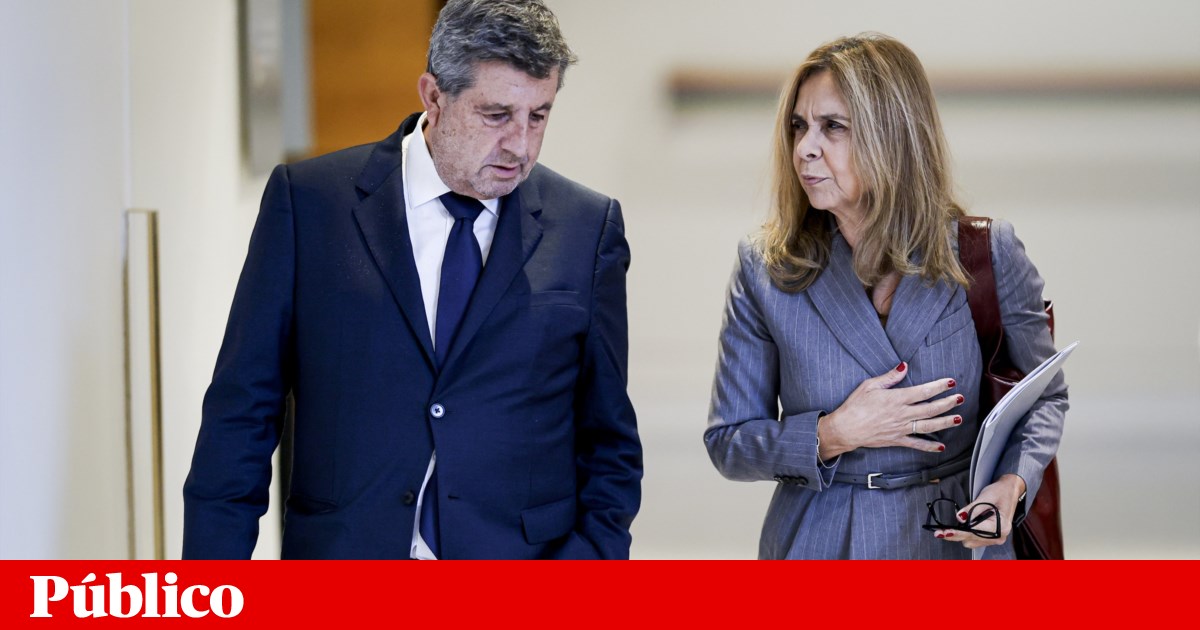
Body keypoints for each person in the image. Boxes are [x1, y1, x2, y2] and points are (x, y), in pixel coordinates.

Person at [183, 0, 641, 560]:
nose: (520, 145)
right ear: (434, 96)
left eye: (538, 116)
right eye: (497, 115)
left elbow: (609, 439)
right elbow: (241, 415)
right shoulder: (310, 205)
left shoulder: (587, 228)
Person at [704, 32, 1067, 559]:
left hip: (953, 538)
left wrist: (1010, 486)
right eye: (799, 126)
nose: (804, 148)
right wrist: (832, 434)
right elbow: (729, 443)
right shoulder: (766, 269)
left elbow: (1045, 398)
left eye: (833, 127)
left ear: (892, 135)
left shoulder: (985, 253)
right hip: (819, 542)